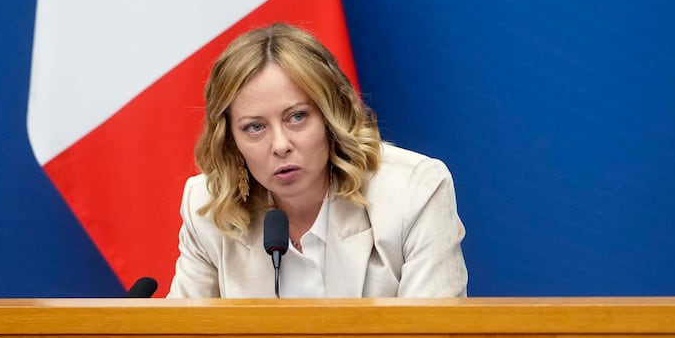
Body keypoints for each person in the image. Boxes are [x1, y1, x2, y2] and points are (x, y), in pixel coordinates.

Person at [167, 23, 467, 298]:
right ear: (231, 140)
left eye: (297, 117)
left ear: (330, 116)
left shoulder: (413, 192)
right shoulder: (206, 206)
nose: (281, 145)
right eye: (255, 127)